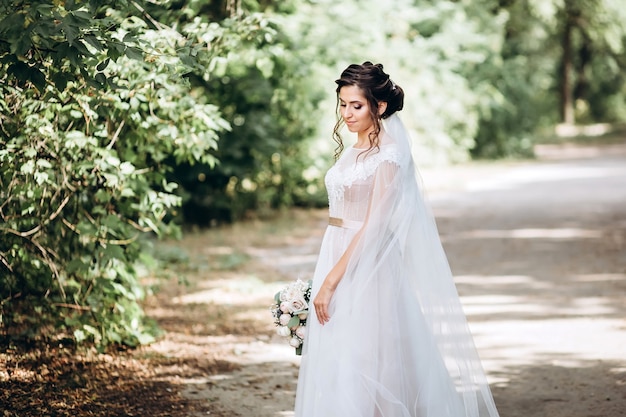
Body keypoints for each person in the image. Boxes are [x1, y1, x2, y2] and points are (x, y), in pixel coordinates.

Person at [293, 62, 500, 417]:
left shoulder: (390, 153)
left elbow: (374, 224)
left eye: (356, 105)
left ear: (380, 106)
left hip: (369, 263)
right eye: (343, 104)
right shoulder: (352, 148)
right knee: (341, 356)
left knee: (371, 358)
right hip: (337, 251)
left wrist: (330, 281)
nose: (347, 113)